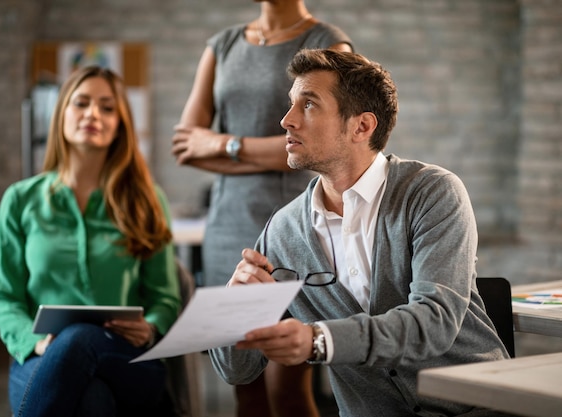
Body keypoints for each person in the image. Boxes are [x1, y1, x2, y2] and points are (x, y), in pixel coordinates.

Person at [210, 49, 512, 417]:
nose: (286, 121)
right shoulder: (283, 230)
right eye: (291, 105)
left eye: (308, 105)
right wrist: (235, 308)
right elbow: (235, 371)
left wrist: (321, 340)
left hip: (478, 409)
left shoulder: (432, 192)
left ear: (361, 126)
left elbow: (435, 322)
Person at [171, 1, 352, 416]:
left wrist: (224, 145)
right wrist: (271, 153)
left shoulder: (328, 43)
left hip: (295, 230)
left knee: (287, 389)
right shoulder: (223, 45)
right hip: (227, 231)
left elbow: (327, 142)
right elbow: (186, 147)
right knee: (244, 385)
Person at [0, 66, 181, 417]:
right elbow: (3, 296)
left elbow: (165, 297)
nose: (94, 113)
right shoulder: (20, 199)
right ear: (62, 113)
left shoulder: (147, 200)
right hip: (40, 356)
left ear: (120, 123)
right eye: (82, 103)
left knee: (77, 339)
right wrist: (35, 342)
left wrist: (150, 325)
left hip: (126, 359)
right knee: (92, 400)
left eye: (107, 107)